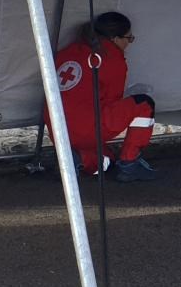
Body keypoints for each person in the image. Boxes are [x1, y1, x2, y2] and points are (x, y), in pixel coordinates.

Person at [53, 11, 157, 180]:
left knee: (108, 159)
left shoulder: (68, 52)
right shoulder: (112, 59)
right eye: (128, 38)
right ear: (115, 39)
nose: (129, 43)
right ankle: (130, 164)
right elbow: (111, 102)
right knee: (144, 104)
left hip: (59, 128)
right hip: (88, 127)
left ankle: (78, 159)